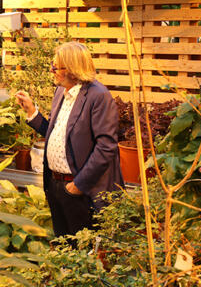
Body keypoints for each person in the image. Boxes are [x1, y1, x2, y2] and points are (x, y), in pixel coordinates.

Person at [15, 41, 123, 237]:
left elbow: (106, 147)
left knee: (82, 253)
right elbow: (57, 134)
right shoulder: (61, 92)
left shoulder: (98, 96)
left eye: (56, 67)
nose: (52, 70)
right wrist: (32, 112)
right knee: (63, 247)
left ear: (73, 69)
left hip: (80, 189)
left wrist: (78, 186)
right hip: (55, 185)